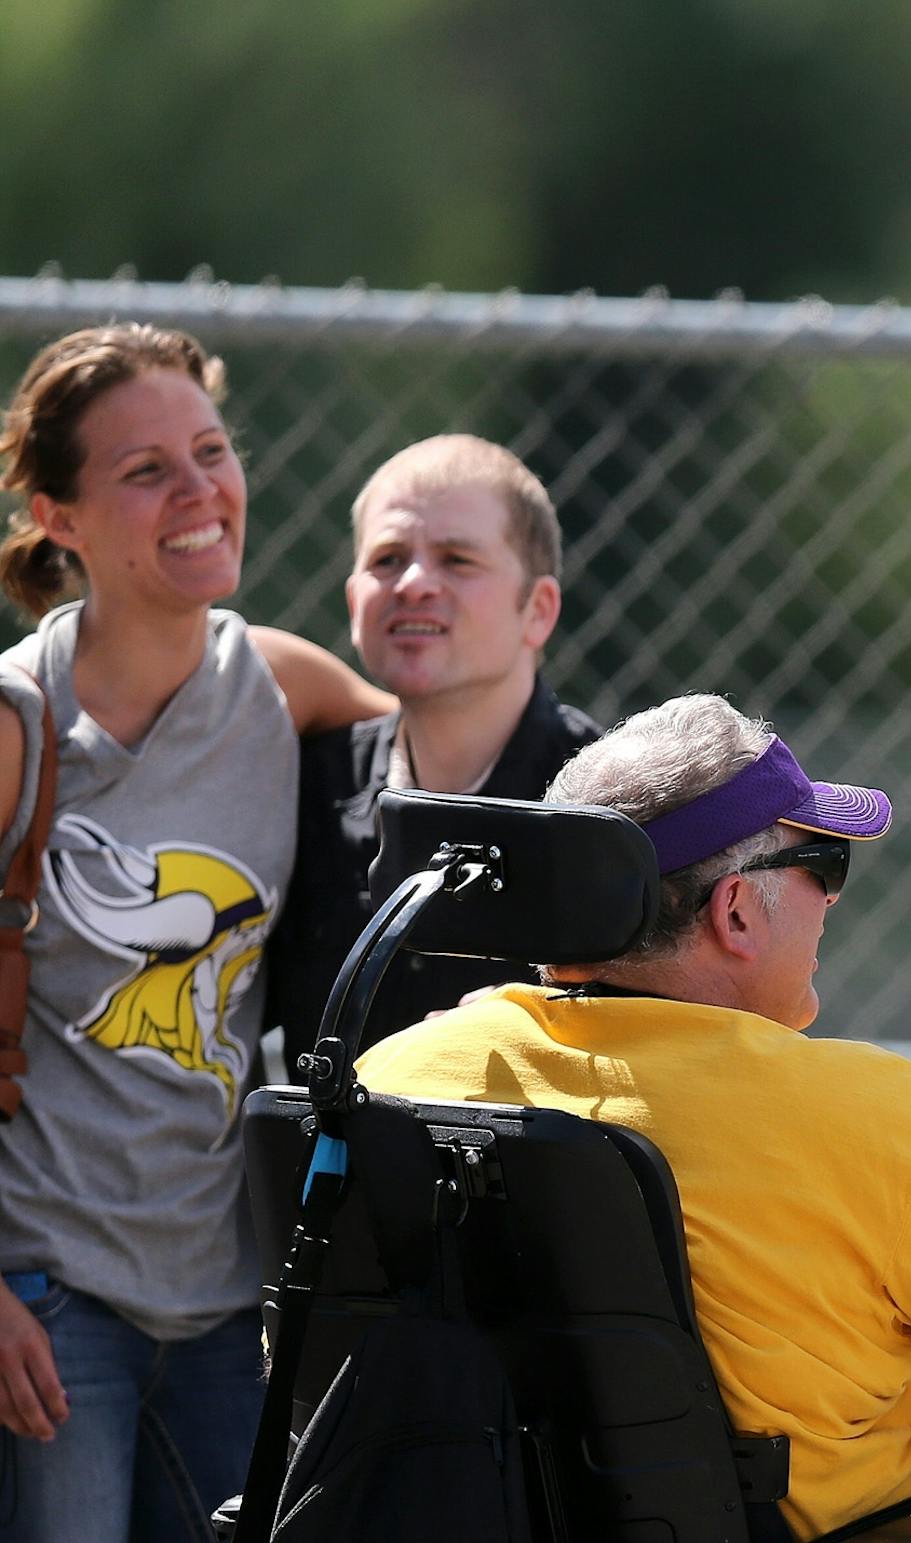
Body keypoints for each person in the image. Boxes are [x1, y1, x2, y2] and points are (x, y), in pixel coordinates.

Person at [355, 694, 911, 1541]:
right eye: (824, 866)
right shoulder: (867, 1122)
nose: (834, 898)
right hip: (885, 1520)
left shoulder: (391, 1078)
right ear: (736, 910)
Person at [0, 323, 392, 1543]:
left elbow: (456, 760)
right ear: (60, 517)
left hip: (227, 1301)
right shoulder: (18, 723)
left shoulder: (281, 688)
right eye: (144, 471)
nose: (198, 491)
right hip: (52, 1299)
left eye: (211, 452)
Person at [264, 434, 600, 1049]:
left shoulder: (609, 816)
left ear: (539, 610)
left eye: (457, 559)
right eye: (386, 559)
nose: (414, 583)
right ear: (353, 600)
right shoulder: (305, 787)